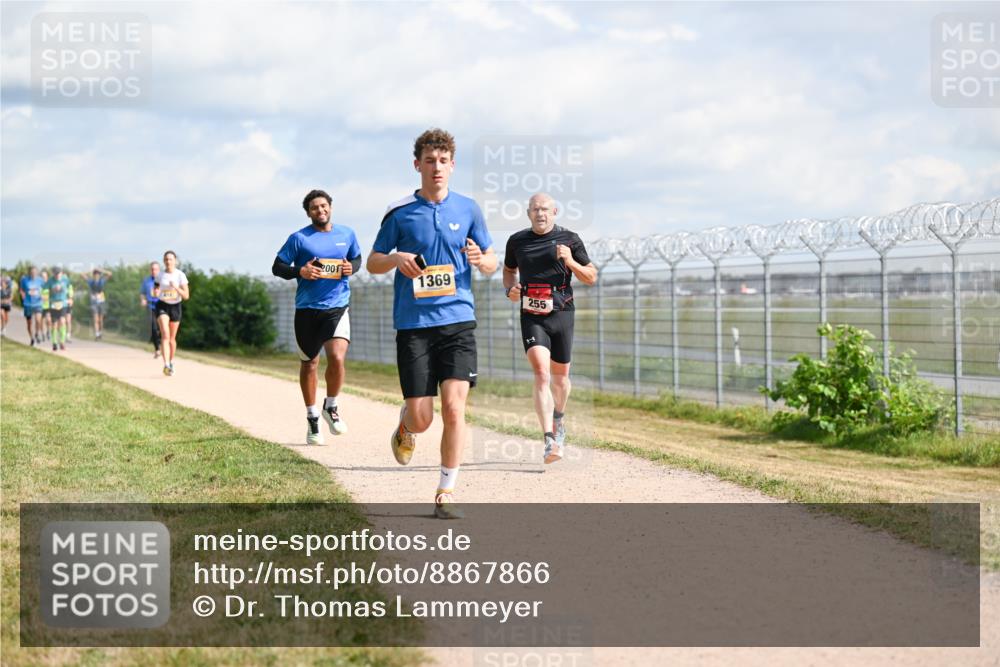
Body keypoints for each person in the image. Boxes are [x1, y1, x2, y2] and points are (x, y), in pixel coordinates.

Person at [367, 128, 497, 519]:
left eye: (443, 161)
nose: (436, 167)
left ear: (452, 165)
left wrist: (480, 259)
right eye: (429, 161)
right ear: (417, 165)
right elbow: (373, 261)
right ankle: (406, 428)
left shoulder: (469, 209)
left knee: (455, 410)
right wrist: (395, 259)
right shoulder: (400, 211)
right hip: (414, 324)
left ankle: (445, 491)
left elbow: (492, 261)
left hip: (459, 320)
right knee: (423, 417)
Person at [503, 193, 597, 464]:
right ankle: (548, 439)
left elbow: (591, 276)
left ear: (554, 211)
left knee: (560, 380)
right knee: (541, 374)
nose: (540, 214)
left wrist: (570, 262)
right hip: (531, 314)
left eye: (545, 209)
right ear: (528, 212)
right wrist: (510, 289)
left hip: (562, 313)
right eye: (535, 209)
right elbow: (508, 271)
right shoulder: (517, 241)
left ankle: (559, 418)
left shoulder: (570, 239)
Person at [272, 189, 362, 445]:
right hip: (307, 310)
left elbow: (356, 258)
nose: (320, 211)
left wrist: (351, 268)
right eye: (314, 208)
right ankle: (312, 416)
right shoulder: (299, 238)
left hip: (337, 306)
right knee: (310, 364)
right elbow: (277, 267)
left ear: (330, 207)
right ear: (308, 212)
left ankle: (331, 406)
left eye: (323, 206)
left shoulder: (347, 234)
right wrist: (300, 271)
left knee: (336, 357)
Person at [153, 251, 190, 375]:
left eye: (170, 259)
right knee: (165, 334)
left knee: (172, 339)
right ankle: (166, 364)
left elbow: (186, 296)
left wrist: (176, 288)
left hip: (175, 307)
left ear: (175, 261)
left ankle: (171, 360)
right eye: (166, 259)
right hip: (162, 305)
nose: (168, 262)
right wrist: (156, 293)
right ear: (164, 261)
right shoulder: (160, 275)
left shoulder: (180, 275)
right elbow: (156, 289)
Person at [45, 266, 72, 351]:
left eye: (59, 273)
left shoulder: (65, 280)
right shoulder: (50, 281)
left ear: (61, 273)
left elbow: (70, 288)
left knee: (62, 321)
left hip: (63, 303)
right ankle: (54, 342)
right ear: (53, 274)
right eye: (56, 274)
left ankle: (62, 342)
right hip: (53, 304)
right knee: (54, 324)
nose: (57, 275)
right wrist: (46, 298)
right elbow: (44, 289)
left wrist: (70, 298)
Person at [140, 262, 162, 357]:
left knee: (161, 327)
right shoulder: (146, 281)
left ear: (159, 270)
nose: (154, 271)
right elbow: (142, 293)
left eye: (156, 269)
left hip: (162, 306)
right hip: (150, 306)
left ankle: (162, 342)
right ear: (150, 270)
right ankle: (157, 349)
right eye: (152, 269)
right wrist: (143, 300)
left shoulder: (163, 280)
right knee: (153, 327)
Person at [19, 266, 44, 345]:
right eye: (32, 272)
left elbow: (45, 289)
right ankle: (32, 338)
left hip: (38, 303)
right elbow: (21, 289)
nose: (33, 274)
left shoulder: (40, 280)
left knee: (38, 320)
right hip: (28, 304)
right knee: (29, 323)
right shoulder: (24, 280)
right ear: (29, 273)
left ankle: (37, 334)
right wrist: (22, 295)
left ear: (37, 273)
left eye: (34, 272)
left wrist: (43, 295)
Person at [86, 268, 113, 339]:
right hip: (94, 302)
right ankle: (97, 334)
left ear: (99, 275)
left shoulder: (102, 281)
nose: (96, 276)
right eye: (95, 275)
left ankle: (100, 332)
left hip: (101, 301)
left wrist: (101, 270)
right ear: (93, 275)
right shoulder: (91, 282)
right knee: (95, 319)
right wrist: (91, 270)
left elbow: (110, 274)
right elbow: (82, 275)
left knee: (100, 319)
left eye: (97, 275)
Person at [40, 269, 51, 341]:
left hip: (48, 306)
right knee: (42, 321)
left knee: (48, 320)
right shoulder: (39, 285)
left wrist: (46, 297)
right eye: (42, 277)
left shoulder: (49, 285)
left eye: (44, 277)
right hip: (40, 306)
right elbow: (38, 294)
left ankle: (48, 332)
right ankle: (43, 333)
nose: (43, 278)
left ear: (47, 277)